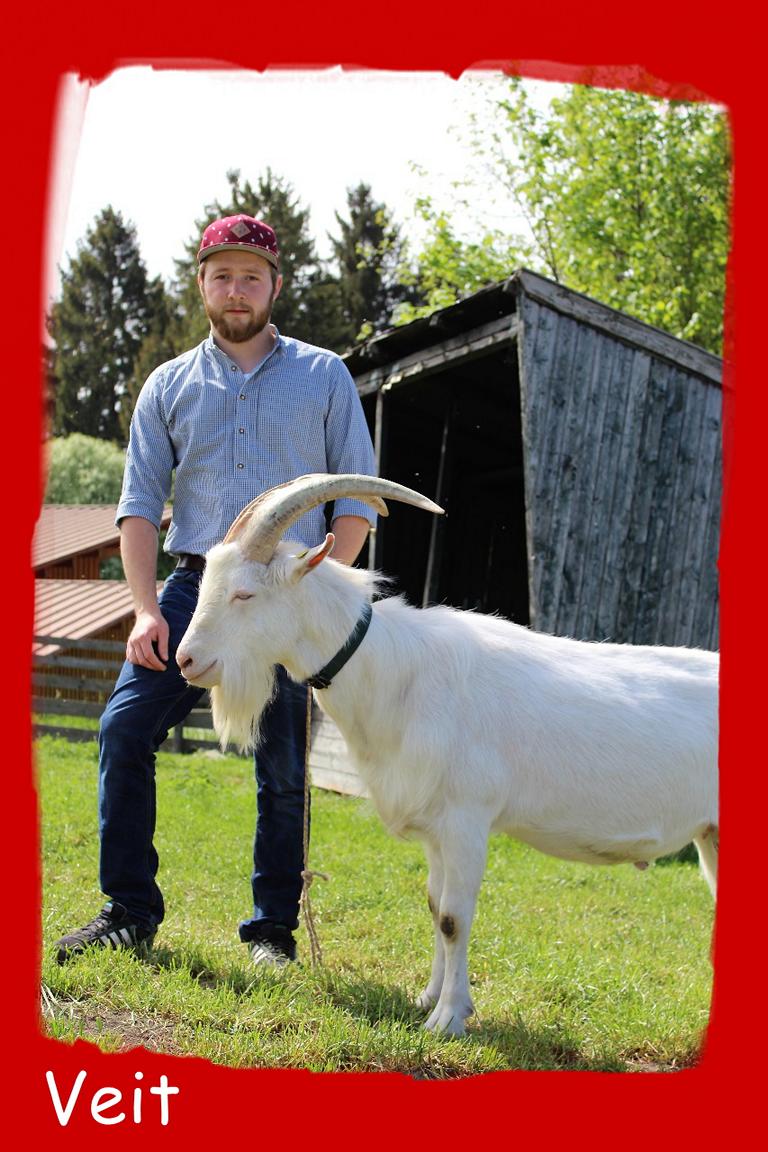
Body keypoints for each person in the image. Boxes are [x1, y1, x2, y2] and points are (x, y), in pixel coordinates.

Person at [54, 214, 377, 968]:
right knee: (123, 730)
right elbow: (139, 507)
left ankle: (272, 934)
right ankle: (129, 911)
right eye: (223, 276)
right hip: (195, 588)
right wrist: (143, 610)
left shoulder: (324, 375)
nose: (237, 290)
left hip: (287, 597)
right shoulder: (167, 385)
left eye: (251, 277)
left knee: (283, 768)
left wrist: (318, 590)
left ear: (275, 286)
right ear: (201, 284)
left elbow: (357, 498)